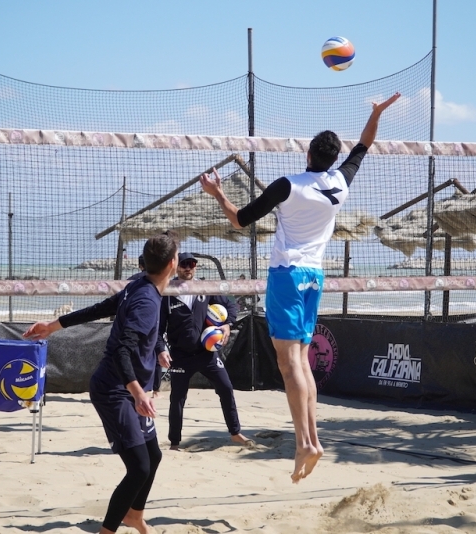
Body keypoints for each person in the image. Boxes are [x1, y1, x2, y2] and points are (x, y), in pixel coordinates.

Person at [199, 92, 401, 483]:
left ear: (309, 155)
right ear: (331, 157)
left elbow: (240, 220)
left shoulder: (288, 185)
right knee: (302, 360)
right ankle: (310, 438)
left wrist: (217, 193)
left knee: (288, 363)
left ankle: (305, 442)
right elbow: (364, 146)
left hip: (288, 275)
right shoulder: (340, 183)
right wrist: (376, 113)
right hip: (314, 277)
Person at [23, 232, 178, 534]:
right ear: (173, 263)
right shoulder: (146, 300)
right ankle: (108, 531)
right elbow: (121, 349)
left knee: (154, 457)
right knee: (139, 468)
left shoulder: (139, 285)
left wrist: (53, 326)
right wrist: (137, 393)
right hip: (114, 390)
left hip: (129, 388)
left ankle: (134, 514)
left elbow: (102, 308)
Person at [156, 252, 251, 451]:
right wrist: (161, 349)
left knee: (226, 388)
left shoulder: (205, 288)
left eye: (192, 264)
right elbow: (158, 328)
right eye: (184, 264)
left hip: (206, 353)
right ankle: (174, 443)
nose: (188, 267)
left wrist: (227, 324)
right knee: (177, 398)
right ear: (176, 267)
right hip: (180, 355)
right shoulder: (167, 293)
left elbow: (230, 306)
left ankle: (235, 433)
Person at [127, 254, 162, 397]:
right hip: (153, 321)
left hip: (133, 323)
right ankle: (156, 390)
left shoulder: (131, 280)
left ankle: (134, 388)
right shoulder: (158, 280)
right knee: (155, 353)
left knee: (130, 355)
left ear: (140, 265)